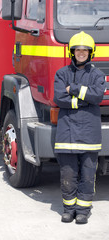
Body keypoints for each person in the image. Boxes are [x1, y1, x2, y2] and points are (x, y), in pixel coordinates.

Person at [54, 31, 106, 224]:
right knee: (68, 173)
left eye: (85, 50)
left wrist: (73, 90)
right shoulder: (61, 74)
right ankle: (68, 209)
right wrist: (84, 100)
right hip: (66, 132)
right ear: (72, 52)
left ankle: (83, 211)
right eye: (78, 50)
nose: (81, 53)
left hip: (89, 133)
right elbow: (59, 98)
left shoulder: (98, 74)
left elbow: (97, 97)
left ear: (91, 53)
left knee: (87, 174)